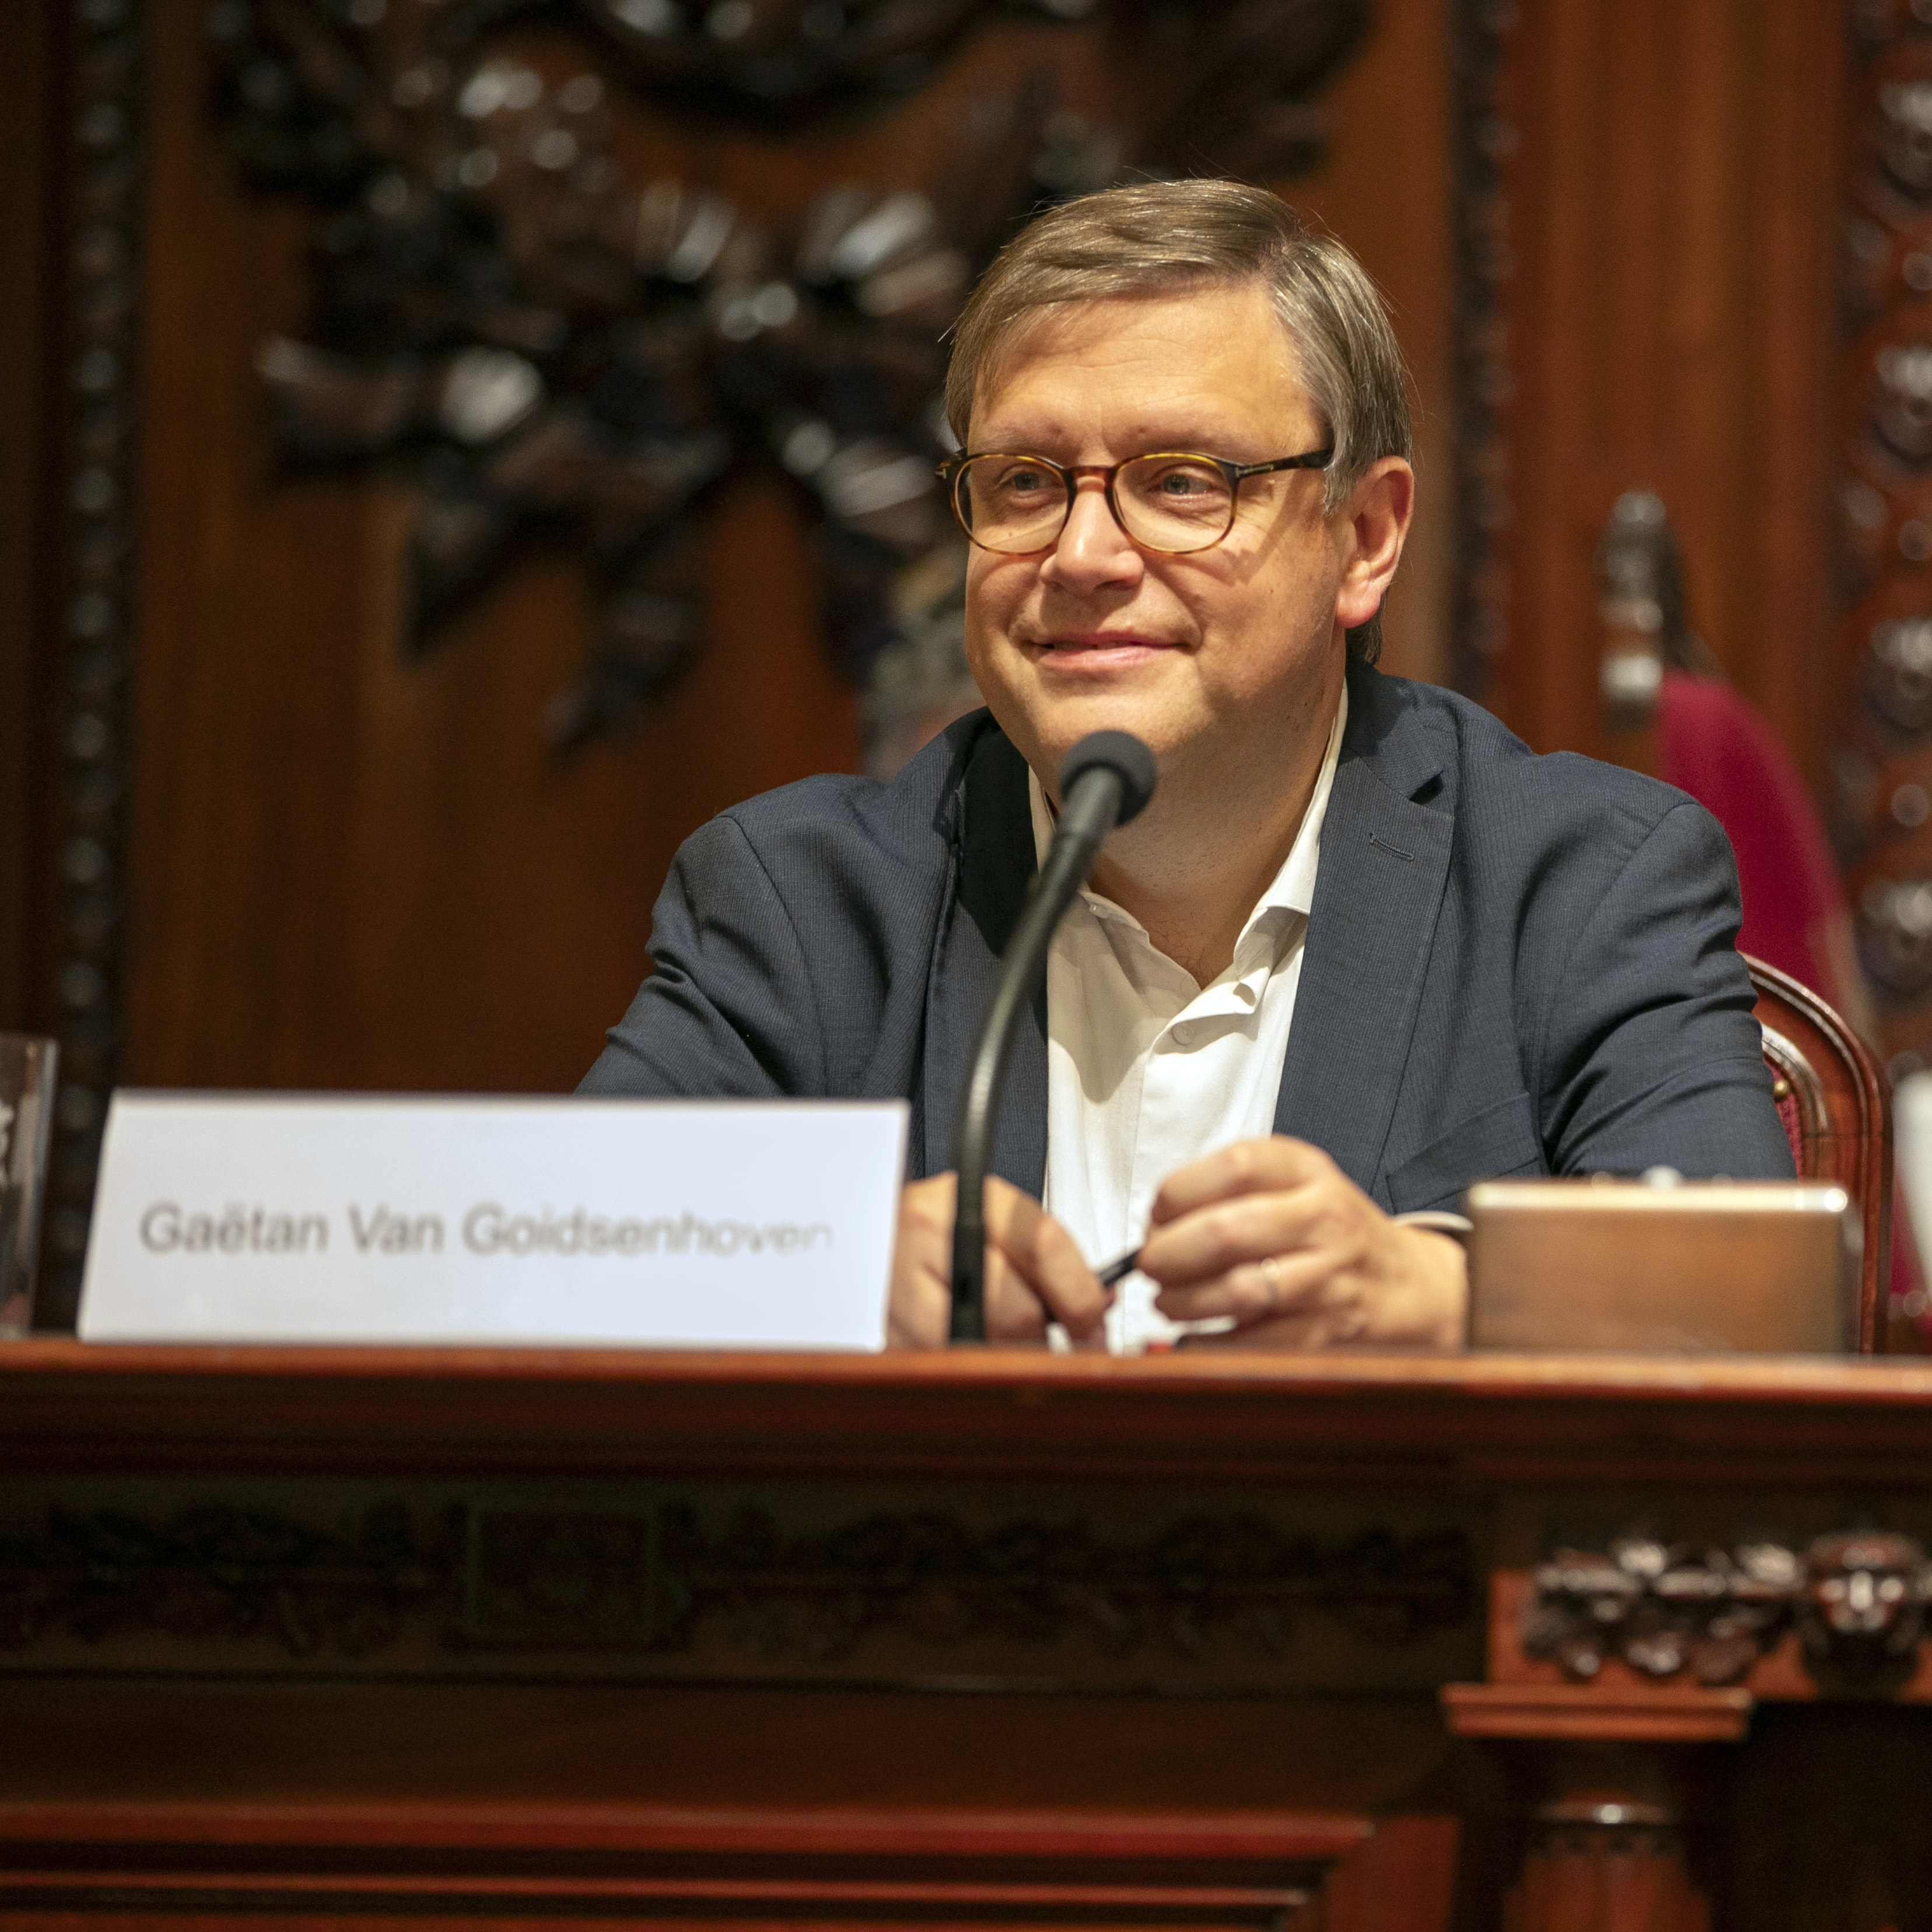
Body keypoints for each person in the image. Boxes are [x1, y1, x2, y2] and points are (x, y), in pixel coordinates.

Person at [581, 179, 1793, 1352]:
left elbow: (1756, 1308)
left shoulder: (1577, 883)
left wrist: (1433, 1297)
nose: (1084, 553)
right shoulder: (804, 901)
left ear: (1364, 538)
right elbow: (543, 1255)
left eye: (1181, 482)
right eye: (1024, 484)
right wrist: (821, 1272)